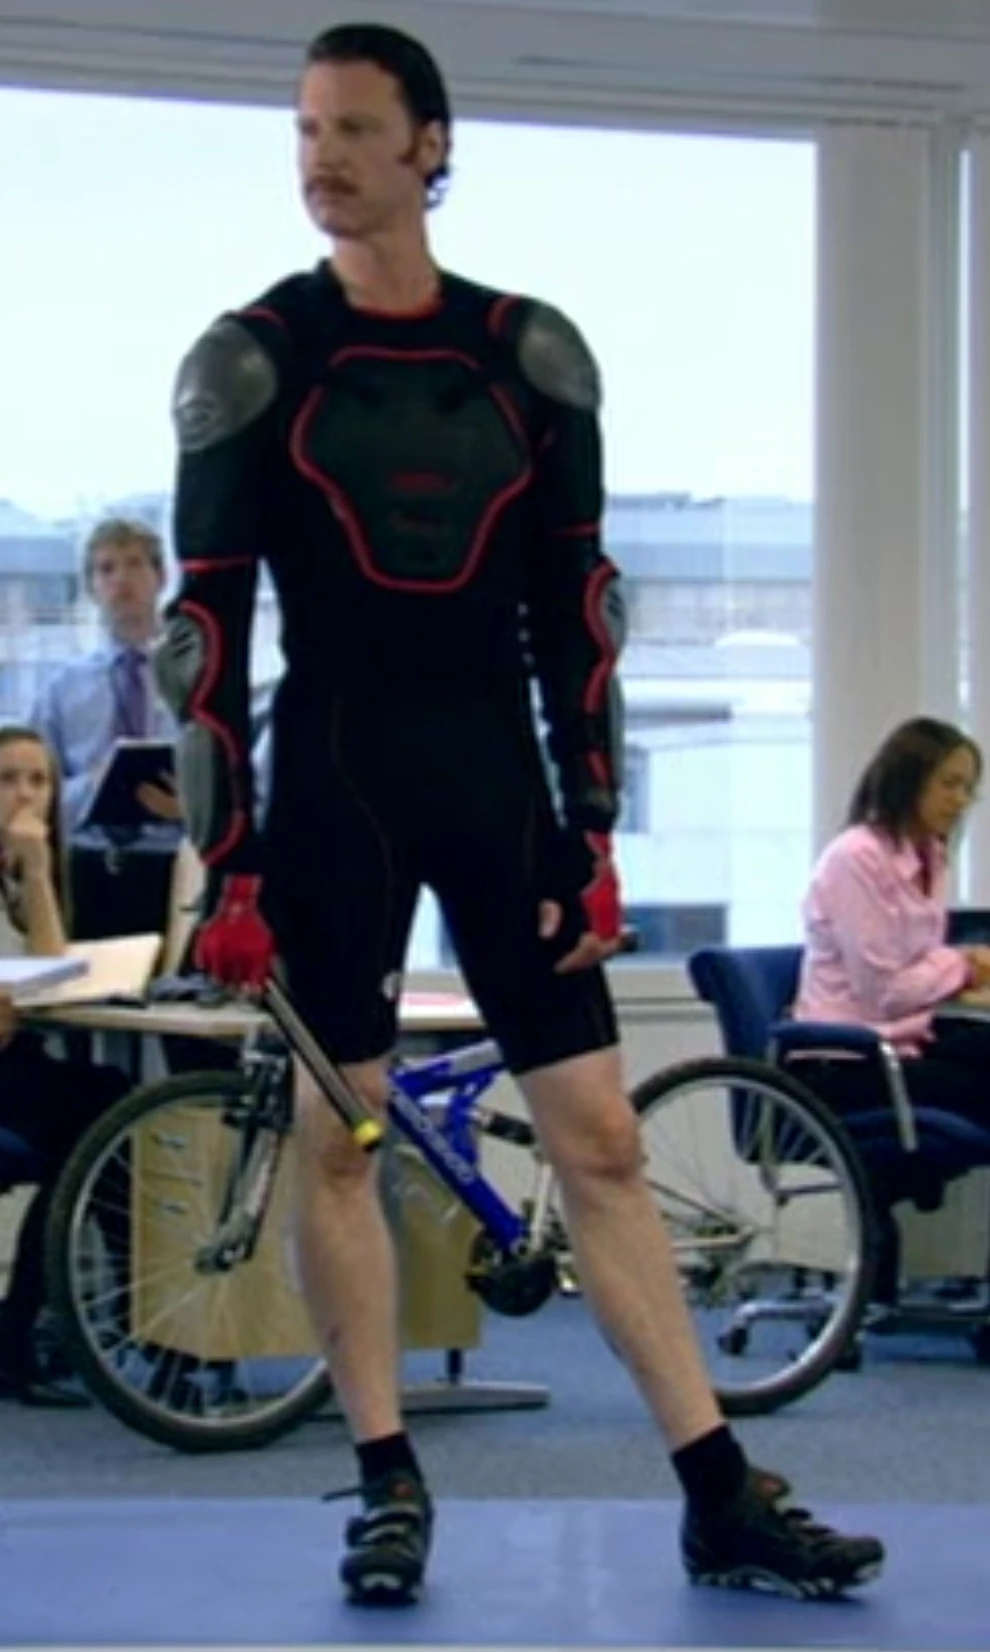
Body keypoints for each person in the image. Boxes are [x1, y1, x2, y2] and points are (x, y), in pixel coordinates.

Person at [155, 21, 884, 1606]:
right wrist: (232, 866)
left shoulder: (526, 356)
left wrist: (593, 828)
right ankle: (384, 1482)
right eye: (305, 131)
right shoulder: (254, 356)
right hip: (334, 782)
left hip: (496, 781)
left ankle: (716, 1492)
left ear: (430, 144)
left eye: (355, 129)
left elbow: (580, 613)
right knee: (340, 1138)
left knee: (602, 1142)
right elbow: (203, 634)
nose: (323, 159)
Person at [0, 724, 130, 1404]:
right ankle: (32, 1328)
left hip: (17, 1054)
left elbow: (49, 973)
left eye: (39, 781)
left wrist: (37, 871)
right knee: (96, 1123)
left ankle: (68, 1318)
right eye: (7, 780)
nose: (26, 795)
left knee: (109, 1106)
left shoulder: (25, 871)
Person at [795, 716, 990, 1122]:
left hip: (906, 1037)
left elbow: (917, 966)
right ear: (909, 781)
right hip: (846, 1057)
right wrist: (960, 965)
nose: (960, 800)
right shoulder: (856, 858)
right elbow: (885, 993)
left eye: (968, 789)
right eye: (949, 784)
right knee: (976, 1086)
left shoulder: (931, 855)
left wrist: (952, 968)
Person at [30, 517, 183, 939]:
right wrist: (90, 787)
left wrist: (192, 808)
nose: (121, 579)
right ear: (91, 587)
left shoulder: (195, 677)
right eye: (106, 568)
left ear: (161, 577)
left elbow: (235, 781)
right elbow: (32, 795)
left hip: (178, 861)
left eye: (134, 564)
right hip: (88, 867)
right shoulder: (62, 688)